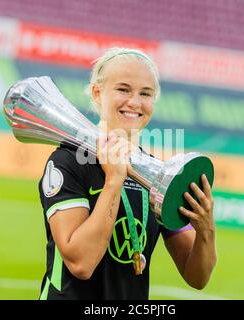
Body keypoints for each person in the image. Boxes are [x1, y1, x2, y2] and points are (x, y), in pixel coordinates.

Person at [38, 47, 217, 300]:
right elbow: (81, 264)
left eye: (146, 93)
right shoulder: (67, 161)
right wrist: (114, 180)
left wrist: (206, 229)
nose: (135, 102)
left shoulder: (157, 176)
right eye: (123, 89)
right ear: (98, 93)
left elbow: (197, 277)